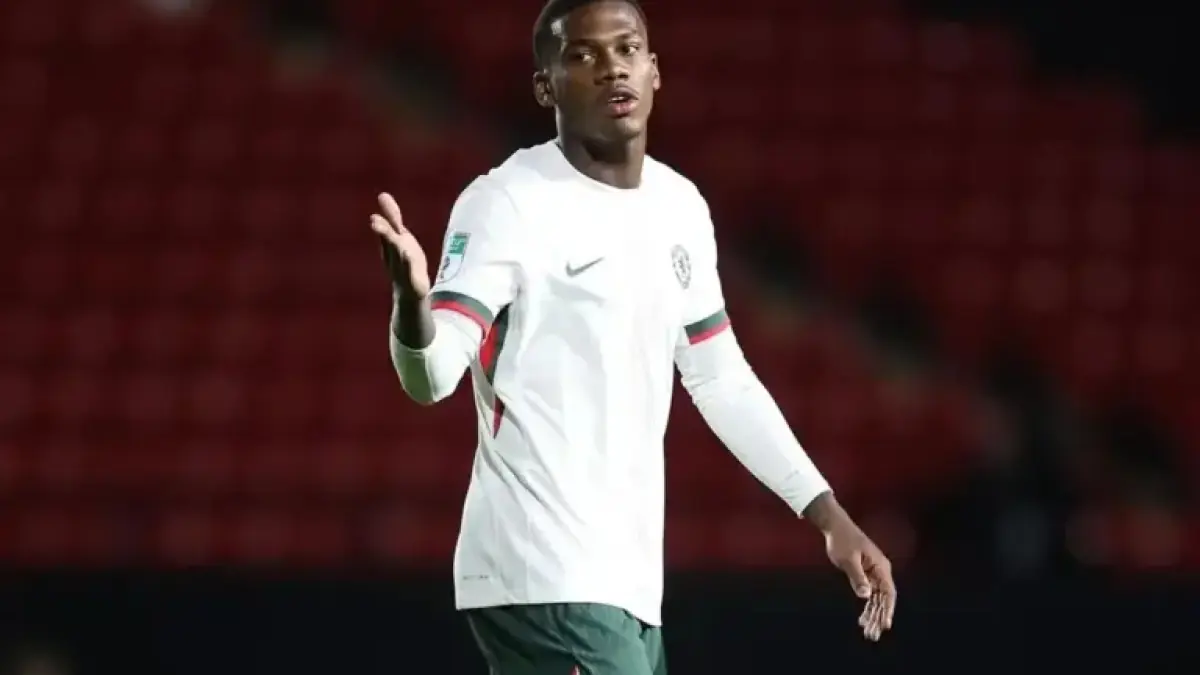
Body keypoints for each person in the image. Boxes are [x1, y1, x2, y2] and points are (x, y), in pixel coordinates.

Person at [370, 0, 896, 671]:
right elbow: (432, 376)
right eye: (583, 55)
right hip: (542, 573)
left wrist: (827, 514)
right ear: (545, 87)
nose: (612, 68)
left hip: (627, 586)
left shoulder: (680, 208)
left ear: (654, 70)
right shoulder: (507, 202)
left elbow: (723, 380)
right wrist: (411, 305)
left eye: (626, 49)